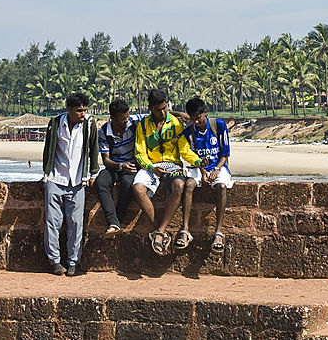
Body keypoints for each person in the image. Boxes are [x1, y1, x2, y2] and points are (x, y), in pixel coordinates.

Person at [132, 88, 202, 255]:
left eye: (165, 107)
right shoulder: (143, 125)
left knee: (179, 184)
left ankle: (160, 231)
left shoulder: (176, 124)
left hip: (173, 164)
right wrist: (150, 167)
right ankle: (158, 230)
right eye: (158, 109)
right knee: (137, 188)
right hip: (151, 165)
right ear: (150, 108)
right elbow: (139, 152)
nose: (162, 112)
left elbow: (184, 149)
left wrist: (198, 162)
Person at [41, 92, 101, 276]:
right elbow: (48, 149)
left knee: (76, 223)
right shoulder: (56, 123)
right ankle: (55, 261)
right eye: (78, 110)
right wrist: (45, 173)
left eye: (84, 110)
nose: (82, 113)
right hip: (55, 177)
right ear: (69, 109)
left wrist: (92, 173)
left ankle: (74, 261)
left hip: (77, 180)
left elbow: (93, 149)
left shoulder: (90, 125)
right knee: (53, 222)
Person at [180, 97, 234, 254]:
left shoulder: (218, 125)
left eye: (198, 118)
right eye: (192, 119)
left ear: (204, 113)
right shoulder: (188, 132)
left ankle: (218, 232)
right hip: (199, 167)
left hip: (218, 165)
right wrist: (203, 171)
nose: (196, 122)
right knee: (189, 185)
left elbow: (225, 153)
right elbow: (190, 156)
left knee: (221, 186)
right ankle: (185, 229)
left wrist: (217, 169)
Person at [95, 98, 146, 238]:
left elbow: (155, 113)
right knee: (100, 182)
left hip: (132, 166)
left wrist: (179, 114)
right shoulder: (104, 132)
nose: (126, 121)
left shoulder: (134, 122)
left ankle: (116, 222)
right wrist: (120, 166)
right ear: (112, 118)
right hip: (115, 165)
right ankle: (113, 222)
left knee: (128, 184)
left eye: (127, 117)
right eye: (122, 119)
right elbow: (106, 160)